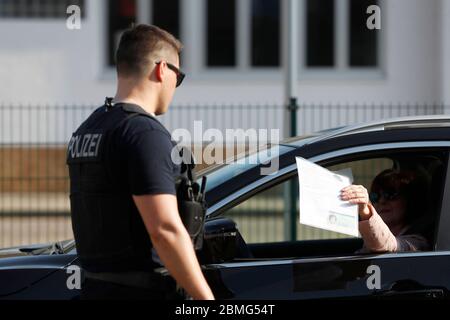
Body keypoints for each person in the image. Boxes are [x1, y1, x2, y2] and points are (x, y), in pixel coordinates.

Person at [67, 24, 214, 300]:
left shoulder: (87, 130)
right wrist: (206, 300)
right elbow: (165, 230)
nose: (176, 85)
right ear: (161, 69)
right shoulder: (143, 134)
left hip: (94, 289)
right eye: (178, 76)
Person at [341, 169, 431, 253]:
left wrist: (365, 210)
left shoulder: (416, 243)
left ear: (409, 200)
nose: (382, 201)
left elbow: (388, 244)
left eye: (390, 194)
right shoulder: (368, 241)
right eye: (375, 196)